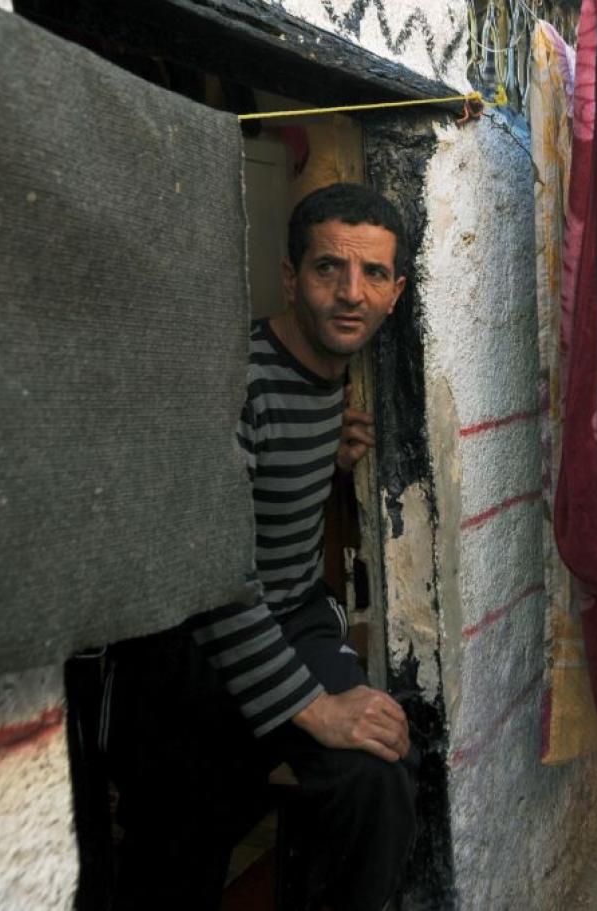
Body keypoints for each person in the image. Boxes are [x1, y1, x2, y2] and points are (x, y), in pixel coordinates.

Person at [107, 183, 417, 910]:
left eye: (373, 273)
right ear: (290, 277)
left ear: (396, 293)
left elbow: (261, 491)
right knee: (176, 854)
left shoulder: (336, 374)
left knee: (375, 772)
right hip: (191, 639)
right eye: (327, 267)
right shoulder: (230, 382)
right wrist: (312, 706)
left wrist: (327, 464)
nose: (351, 292)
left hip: (290, 614)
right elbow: (209, 572)